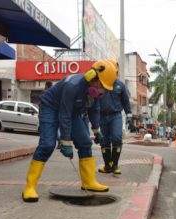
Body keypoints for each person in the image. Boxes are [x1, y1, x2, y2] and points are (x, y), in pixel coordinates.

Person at [22, 60, 116, 202]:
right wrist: (66, 142)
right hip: (51, 107)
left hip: (71, 112)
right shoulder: (72, 86)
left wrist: (96, 130)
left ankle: (88, 182)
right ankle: (30, 187)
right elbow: (64, 115)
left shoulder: (95, 92)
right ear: (92, 76)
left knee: (85, 143)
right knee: (47, 144)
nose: (102, 90)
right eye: (101, 85)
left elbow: (94, 109)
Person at [98, 60, 132, 175]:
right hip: (101, 116)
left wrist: (129, 115)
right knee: (104, 141)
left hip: (116, 116)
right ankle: (107, 165)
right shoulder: (100, 83)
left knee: (117, 138)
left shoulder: (120, 85)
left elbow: (126, 102)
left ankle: (115, 165)